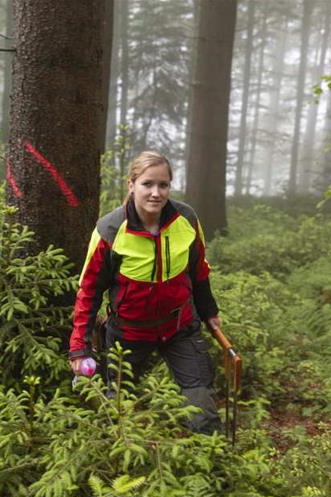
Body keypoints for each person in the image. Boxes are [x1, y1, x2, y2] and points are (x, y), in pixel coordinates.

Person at [68, 150, 222, 435]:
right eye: (147, 184)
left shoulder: (186, 219)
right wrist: (79, 347)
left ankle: (215, 467)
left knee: (202, 407)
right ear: (131, 185)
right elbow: (88, 292)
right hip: (129, 334)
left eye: (163, 185)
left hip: (180, 329)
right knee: (116, 413)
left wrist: (209, 311)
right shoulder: (110, 230)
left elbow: (198, 271)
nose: (156, 193)